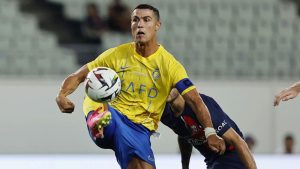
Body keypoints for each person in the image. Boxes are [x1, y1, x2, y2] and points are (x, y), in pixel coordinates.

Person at [55, 4, 225, 169]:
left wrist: (210, 132)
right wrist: (62, 95)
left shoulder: (170, 65)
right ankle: (98, 121)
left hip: (139, 128)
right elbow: (78, 76)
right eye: (135, 20)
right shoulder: (117, 55)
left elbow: (194, 100)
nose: (140, 24)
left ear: (157, 25)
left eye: (146, 19)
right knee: (100, 100)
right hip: (112, 111)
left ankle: (103, 124)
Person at [161, 89, 257, 169]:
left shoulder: (201, 105)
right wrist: (185, 166)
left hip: (231, 156)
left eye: (170, 81)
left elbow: (238, 141)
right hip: (211, 161)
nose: (166, 86)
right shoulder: (165, 114)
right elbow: (184, 136)